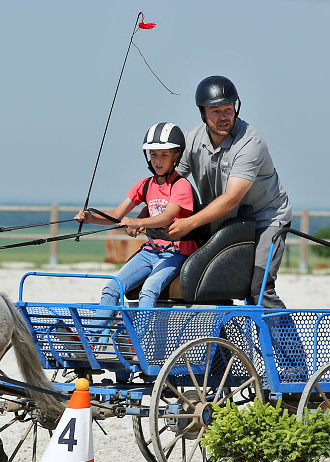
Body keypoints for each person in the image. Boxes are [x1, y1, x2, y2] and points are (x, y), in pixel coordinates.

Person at [168, 75, 292, 308]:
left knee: (259, 290)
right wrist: (148, 218)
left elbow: (231, 198)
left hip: (266, 218)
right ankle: (222, 345)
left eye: (228, 108)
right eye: (215, 111)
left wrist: (189, 224)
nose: (224, 116)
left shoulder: (249, 143)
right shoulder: (192, 140)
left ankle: (289, 346)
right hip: (226, 220)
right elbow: (170, 182)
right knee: (208, 284)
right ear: (202, 112)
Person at [74, 122, 196, 312]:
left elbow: (167, 217)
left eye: (164, 155)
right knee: (111, 288)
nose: (158, 160)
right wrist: (90, 219)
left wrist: (138, 222)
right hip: (149, 251)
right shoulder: (145, 185)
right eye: (154, 154)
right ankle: (93, 340)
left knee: (148, 290)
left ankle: (140, 340)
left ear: (176, 155)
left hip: (175, 253)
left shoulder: (181, 186)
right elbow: (116, 215)